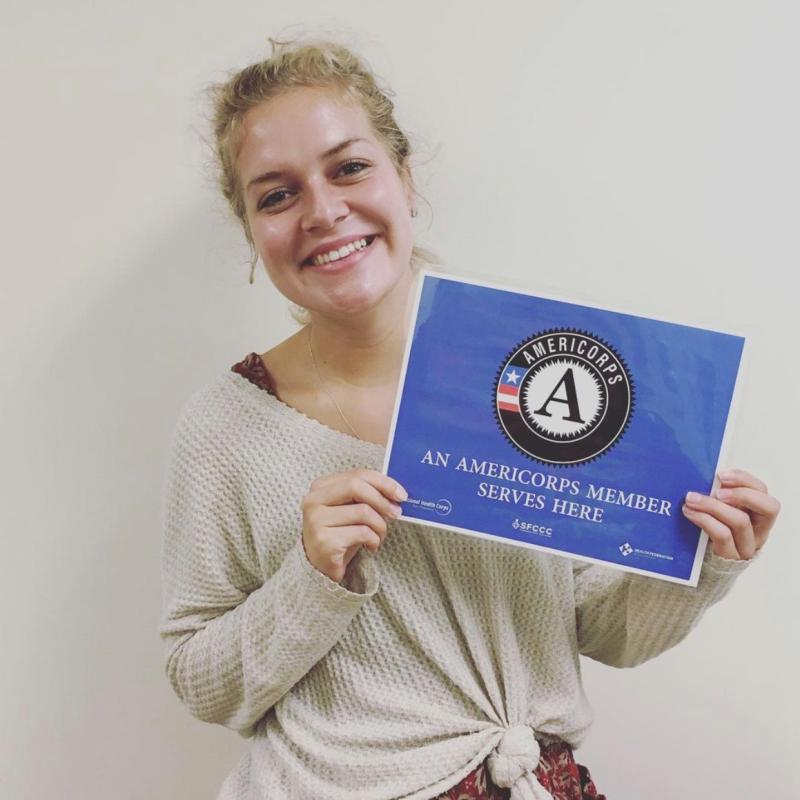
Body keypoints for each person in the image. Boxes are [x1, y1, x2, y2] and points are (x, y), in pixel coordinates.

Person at [159, 39, 781, 800]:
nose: (322, 211)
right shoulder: (226, 425)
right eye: (277, 195)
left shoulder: (543, 367)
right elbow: (201, 683)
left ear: (404, 178)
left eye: (348, 168)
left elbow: (605, 632)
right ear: (252, 232)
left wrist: (703, 559)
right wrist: (310, 577)